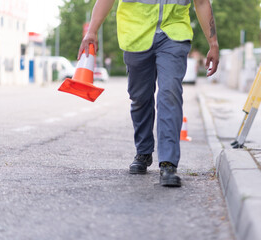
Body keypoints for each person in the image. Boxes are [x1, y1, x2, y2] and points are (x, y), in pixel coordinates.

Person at [78, 0, 219, 187]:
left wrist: (213, 43)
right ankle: (143, 151)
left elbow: (201, 2)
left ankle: (168, 163)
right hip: (135, 35)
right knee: (140, 98)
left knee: (169, 93)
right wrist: (92, 30)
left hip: (174, 34)